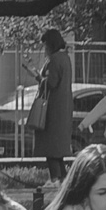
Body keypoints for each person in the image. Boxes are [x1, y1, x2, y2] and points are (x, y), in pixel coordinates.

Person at [33, 28, 75, 182]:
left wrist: (40, 78)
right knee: (57, 151)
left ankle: (55, 180)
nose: (44, 49)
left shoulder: (55, 60)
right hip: (62, 109)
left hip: (52, 111)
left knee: (50, 148)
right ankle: (62, 179)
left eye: (45, 45)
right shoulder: (65, 58)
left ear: (50, 44)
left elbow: (51, 83)